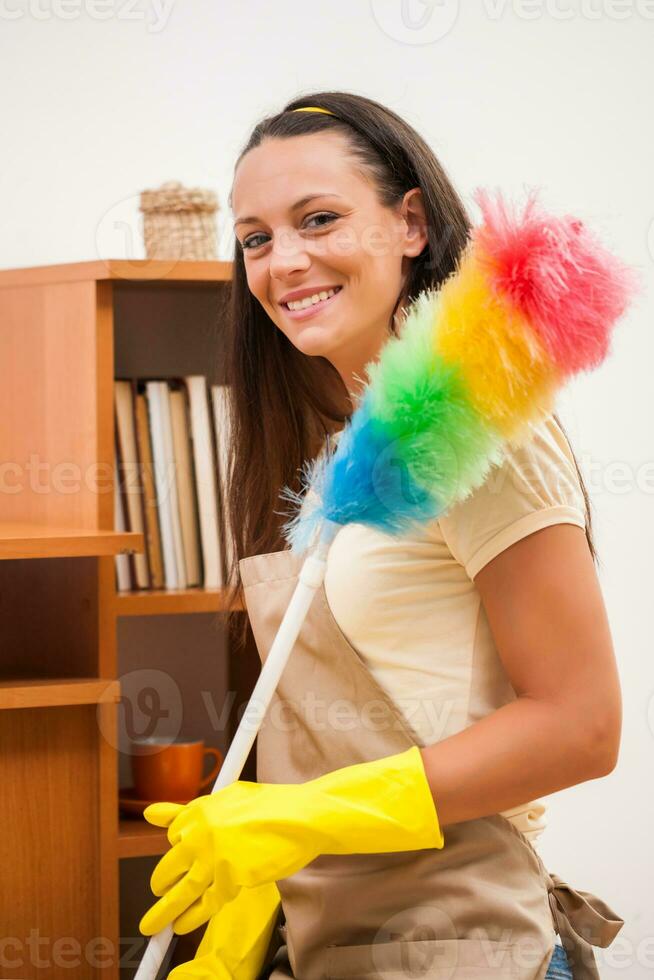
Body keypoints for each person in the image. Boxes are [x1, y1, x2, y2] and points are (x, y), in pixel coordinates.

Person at [139, 92, 624, 979]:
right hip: (337, 951)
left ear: (410, 223)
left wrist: (302, 819)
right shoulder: (337, 454)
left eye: (318, 219)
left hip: (464, 951)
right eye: (254, 238)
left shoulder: (482, 428)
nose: (284, 261)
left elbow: (582, 725)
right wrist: (260, 896)